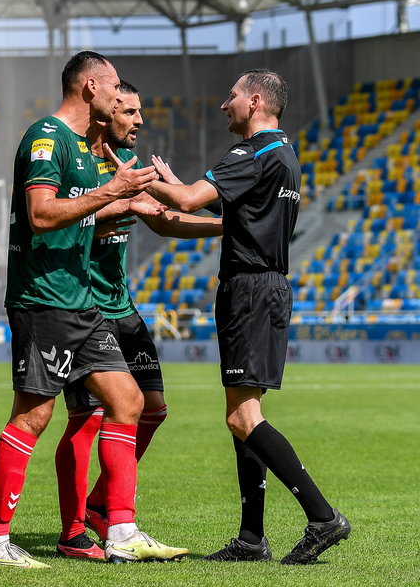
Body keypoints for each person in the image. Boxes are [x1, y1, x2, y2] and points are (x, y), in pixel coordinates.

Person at [0, 51, 187, 568]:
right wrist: (112, 192)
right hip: (43, 298)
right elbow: (42, 214)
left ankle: (120, 530)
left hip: (82, 303)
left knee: (129, 403)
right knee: (33, 417)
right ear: (91, 86)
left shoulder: (82, 145)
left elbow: (83, 208)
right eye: (116, 89)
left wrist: (122, 201)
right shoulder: (47, 137)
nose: (122, 99)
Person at [146, 69, 350, 564]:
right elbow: (229, 213)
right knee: (243, 416)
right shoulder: (284, 154)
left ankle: (322, 517)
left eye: (232, 95)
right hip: (269, 286)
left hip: (249, 290)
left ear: (256, 101)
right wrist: (177, 186)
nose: (224, 104)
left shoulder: (250, 152)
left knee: (242, 416)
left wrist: (141, 182)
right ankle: (251, 538)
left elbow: (192, 200)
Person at [53, 81, 222, 560]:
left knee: (154, 408)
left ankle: (102, 503)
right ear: (106, 113)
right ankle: (75, 530)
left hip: (122, 307)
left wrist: (233, 225)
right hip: (83, 307)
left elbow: (166, 219)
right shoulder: (74, 161)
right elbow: (48, 217)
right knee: (85, 419)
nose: (140, 121)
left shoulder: (125, 168)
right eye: (130, 111)